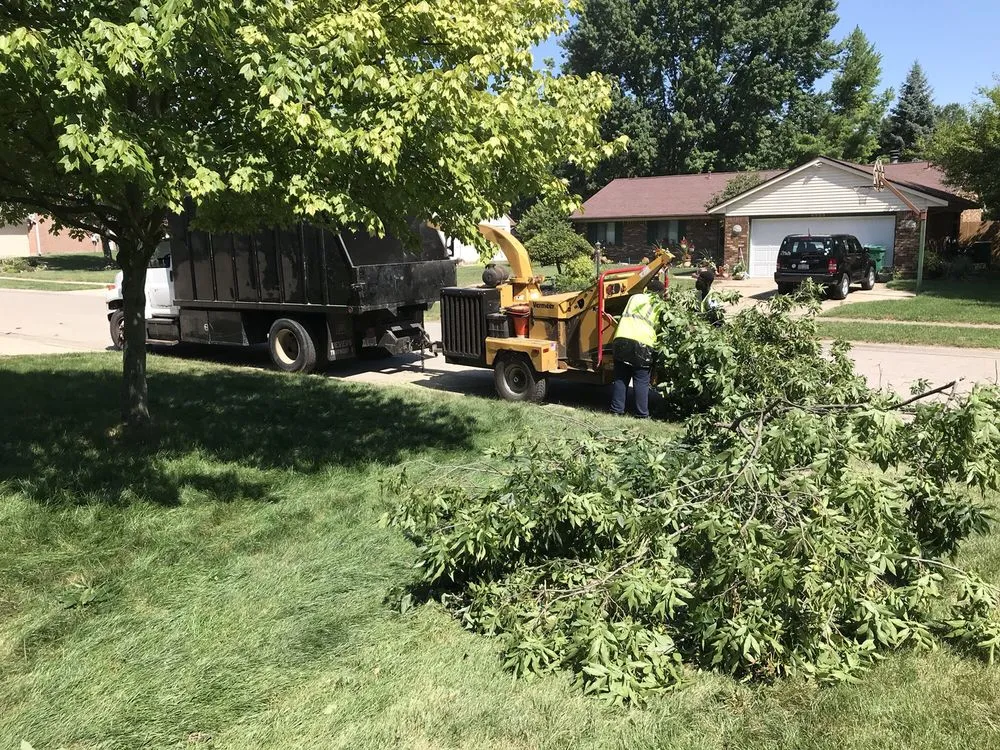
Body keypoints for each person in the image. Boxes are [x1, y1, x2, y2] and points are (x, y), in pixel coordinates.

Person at [610, 277, 665, 418]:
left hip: (622, 338)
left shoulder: (634, 297)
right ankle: (641, 414)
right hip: (643, 343)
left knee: (621, 377)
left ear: (647, 290)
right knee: (641, 380)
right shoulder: (659, 305)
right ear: (660, 293)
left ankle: (617, 410)